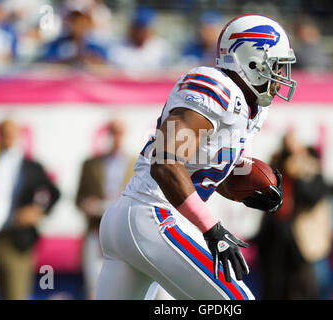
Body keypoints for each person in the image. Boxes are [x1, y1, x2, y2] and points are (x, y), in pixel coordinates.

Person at [95, 14, 296, 300]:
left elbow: (208, 174)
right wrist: (212, 229)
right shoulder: (214, 87)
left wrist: (248, 189)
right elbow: (165, 163)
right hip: (152, 214)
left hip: (136, 221)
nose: (281, 77)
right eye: (276, 66)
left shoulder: (248, 108)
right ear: (252, 63)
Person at [253, 131, 331, 299]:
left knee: (306, 291)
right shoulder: (277, 168)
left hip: (303, 244)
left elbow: (311, 197)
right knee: (274, 291)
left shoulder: (312, 170)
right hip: (276, 241)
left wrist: (298, 172)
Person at [0, 119, 60, 300]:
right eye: (3, 133)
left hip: (17, 240)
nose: (7, 137)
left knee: (15, 293)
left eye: (11, 133)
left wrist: (38, 211)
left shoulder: (30, 166)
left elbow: (54, 193)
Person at [76, 119, 135, 298]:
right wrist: (87, 205)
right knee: (94, 284)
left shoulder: (136, 164)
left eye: (119, 132)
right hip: (96, 230)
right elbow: (79, 198)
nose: (115, 137)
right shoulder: (91, 164)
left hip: (124, 232)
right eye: (112, 132)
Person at [108, 5, 175, 72]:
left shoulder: (162, 48)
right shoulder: (118, 47)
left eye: (145, 29)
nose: (141, 32)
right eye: (138, 28)